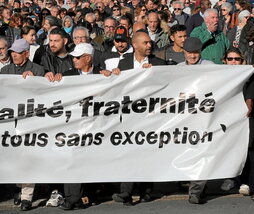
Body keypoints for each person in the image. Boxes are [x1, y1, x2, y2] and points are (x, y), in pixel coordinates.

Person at [178, 37, 214, 204]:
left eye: (195, 53)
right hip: (183, 120)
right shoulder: (177, 69)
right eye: (189, 52)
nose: (192, 56)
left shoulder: (210, 67)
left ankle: (196, 191)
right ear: (183, 52)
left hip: (204, 118)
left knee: (201, 153)